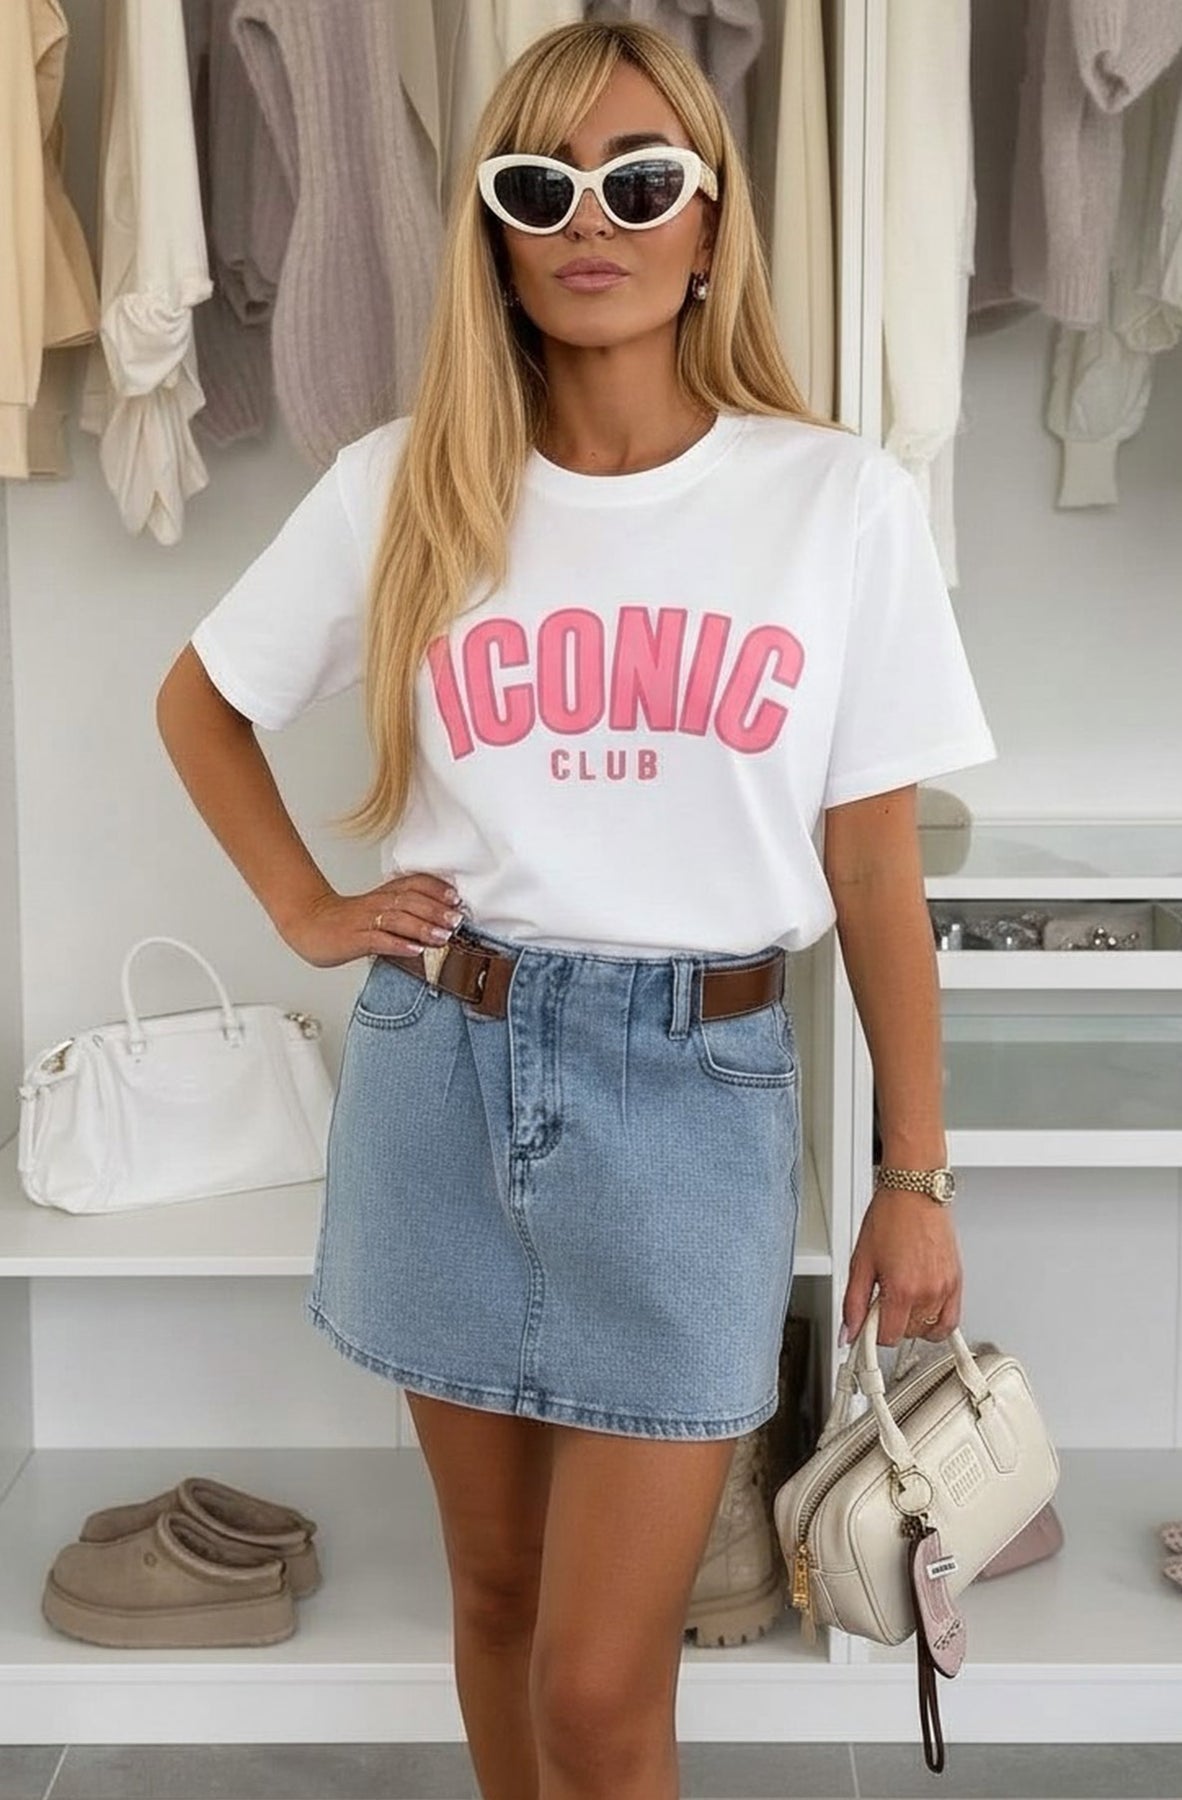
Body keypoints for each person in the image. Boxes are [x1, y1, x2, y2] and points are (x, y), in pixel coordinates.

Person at [156, 20, 996, 1800]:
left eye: (638, 180)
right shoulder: (406, 484)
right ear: (494, 232)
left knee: (606, 1686)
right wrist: (306, 909)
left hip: (692, 1104)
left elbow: (872, 870)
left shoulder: (834, 502)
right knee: (492, 1589)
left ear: (709, 220)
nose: (588, 220)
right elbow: (201, 701)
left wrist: (912, 1176)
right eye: (538, 187)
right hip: (445, 1070)